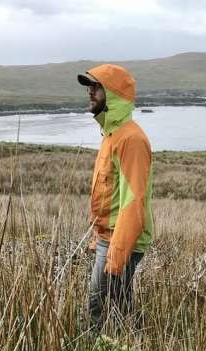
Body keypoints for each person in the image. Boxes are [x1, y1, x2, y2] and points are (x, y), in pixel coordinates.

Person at [77, 64, 154, 331]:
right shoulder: (111, 135)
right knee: (119, 303)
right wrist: (99, 237)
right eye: (89, 86)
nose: (90, 92)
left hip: (121, 240)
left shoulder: (131, 139)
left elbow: (133, 201)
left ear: (114, 94)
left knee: (97, 305)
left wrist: (117, 253)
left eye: (96, 87)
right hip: (109, 236)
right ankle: (133, 348)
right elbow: (110, 195)